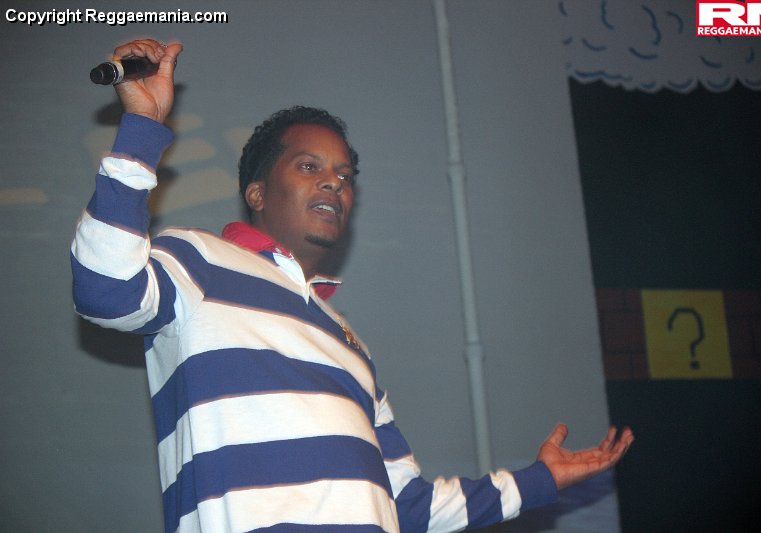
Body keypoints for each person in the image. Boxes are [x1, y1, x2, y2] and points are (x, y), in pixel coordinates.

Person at [71, 38, 633, 533]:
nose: (334, 184)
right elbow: (105, 288)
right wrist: (143, 127)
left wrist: (538, 481)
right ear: (257, 192)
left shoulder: (348, 342)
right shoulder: (199, 260)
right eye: (309, 167)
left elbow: (408, 506)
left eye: (344, 176)